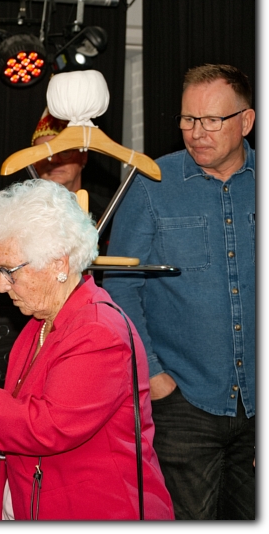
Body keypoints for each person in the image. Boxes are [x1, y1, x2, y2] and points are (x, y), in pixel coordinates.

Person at [0, 179, 174, 520]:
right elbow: (18, 420)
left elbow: (48, 427)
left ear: (59, 264)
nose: (0, 285)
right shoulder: (39, 325)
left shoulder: (99, 331)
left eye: (10, 271)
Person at [103, 63, 255, 520]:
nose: (196, 132)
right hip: (182, 403)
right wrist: (155, 378)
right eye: (188, 119)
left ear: (246, 121)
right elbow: (120, 287)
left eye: (212, 120)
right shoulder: (151, 183)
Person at [0, 108, 109, 306]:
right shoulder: (12, 213)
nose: (54, 159)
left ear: (83, 157)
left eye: (64, 151)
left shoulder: (113, 211)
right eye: (44, 153)